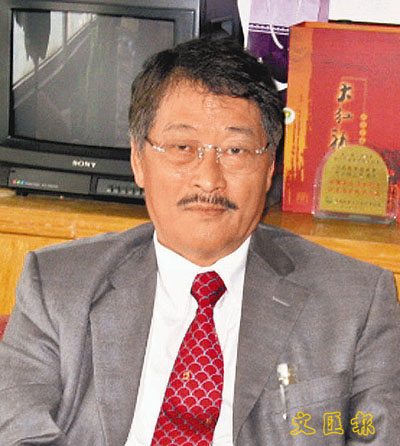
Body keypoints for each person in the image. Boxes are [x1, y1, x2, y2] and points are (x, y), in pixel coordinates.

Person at [0, 37, 399, 446]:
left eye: (236, 150)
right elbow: (17, 433)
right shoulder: (57, 286)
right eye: (182, 147)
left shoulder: (357, 304)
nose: (209, 179)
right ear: (138, 159)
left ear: (269, 167)